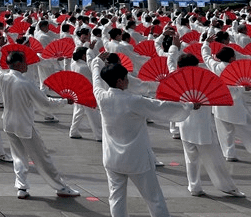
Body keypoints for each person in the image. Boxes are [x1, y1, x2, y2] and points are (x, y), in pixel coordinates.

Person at [91, 52, 196, 217]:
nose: (128, 80)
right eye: (126, 78)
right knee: (154, 198)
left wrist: (96, 61)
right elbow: (161, 107)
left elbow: (96, 79)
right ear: (119, 81)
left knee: (116, 198)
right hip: (136, 159)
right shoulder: (134, 101)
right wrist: (188, 106)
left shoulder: (102, 97)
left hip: (111, 158)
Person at [0, 41, 79, 199]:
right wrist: (64, 101)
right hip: (24, 125)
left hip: (9, 123)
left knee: (18, 156)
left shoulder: (3, 77)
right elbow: (45, 104)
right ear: (18, 64)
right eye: (25, 62)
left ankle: (21, 187)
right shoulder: (25, 83)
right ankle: (60, 187)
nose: (27, 64)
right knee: (42, 157)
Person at [175, 53, 244, 197]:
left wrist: (174, 47)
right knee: (215, 159)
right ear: (194, 66)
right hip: (202, 128)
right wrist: (243, 88)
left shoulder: (176, 80)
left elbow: (170, 61)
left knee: (191, 159)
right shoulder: (202, 80)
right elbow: (225, 90)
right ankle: (228, 187)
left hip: (184, 126)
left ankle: (194, 187)